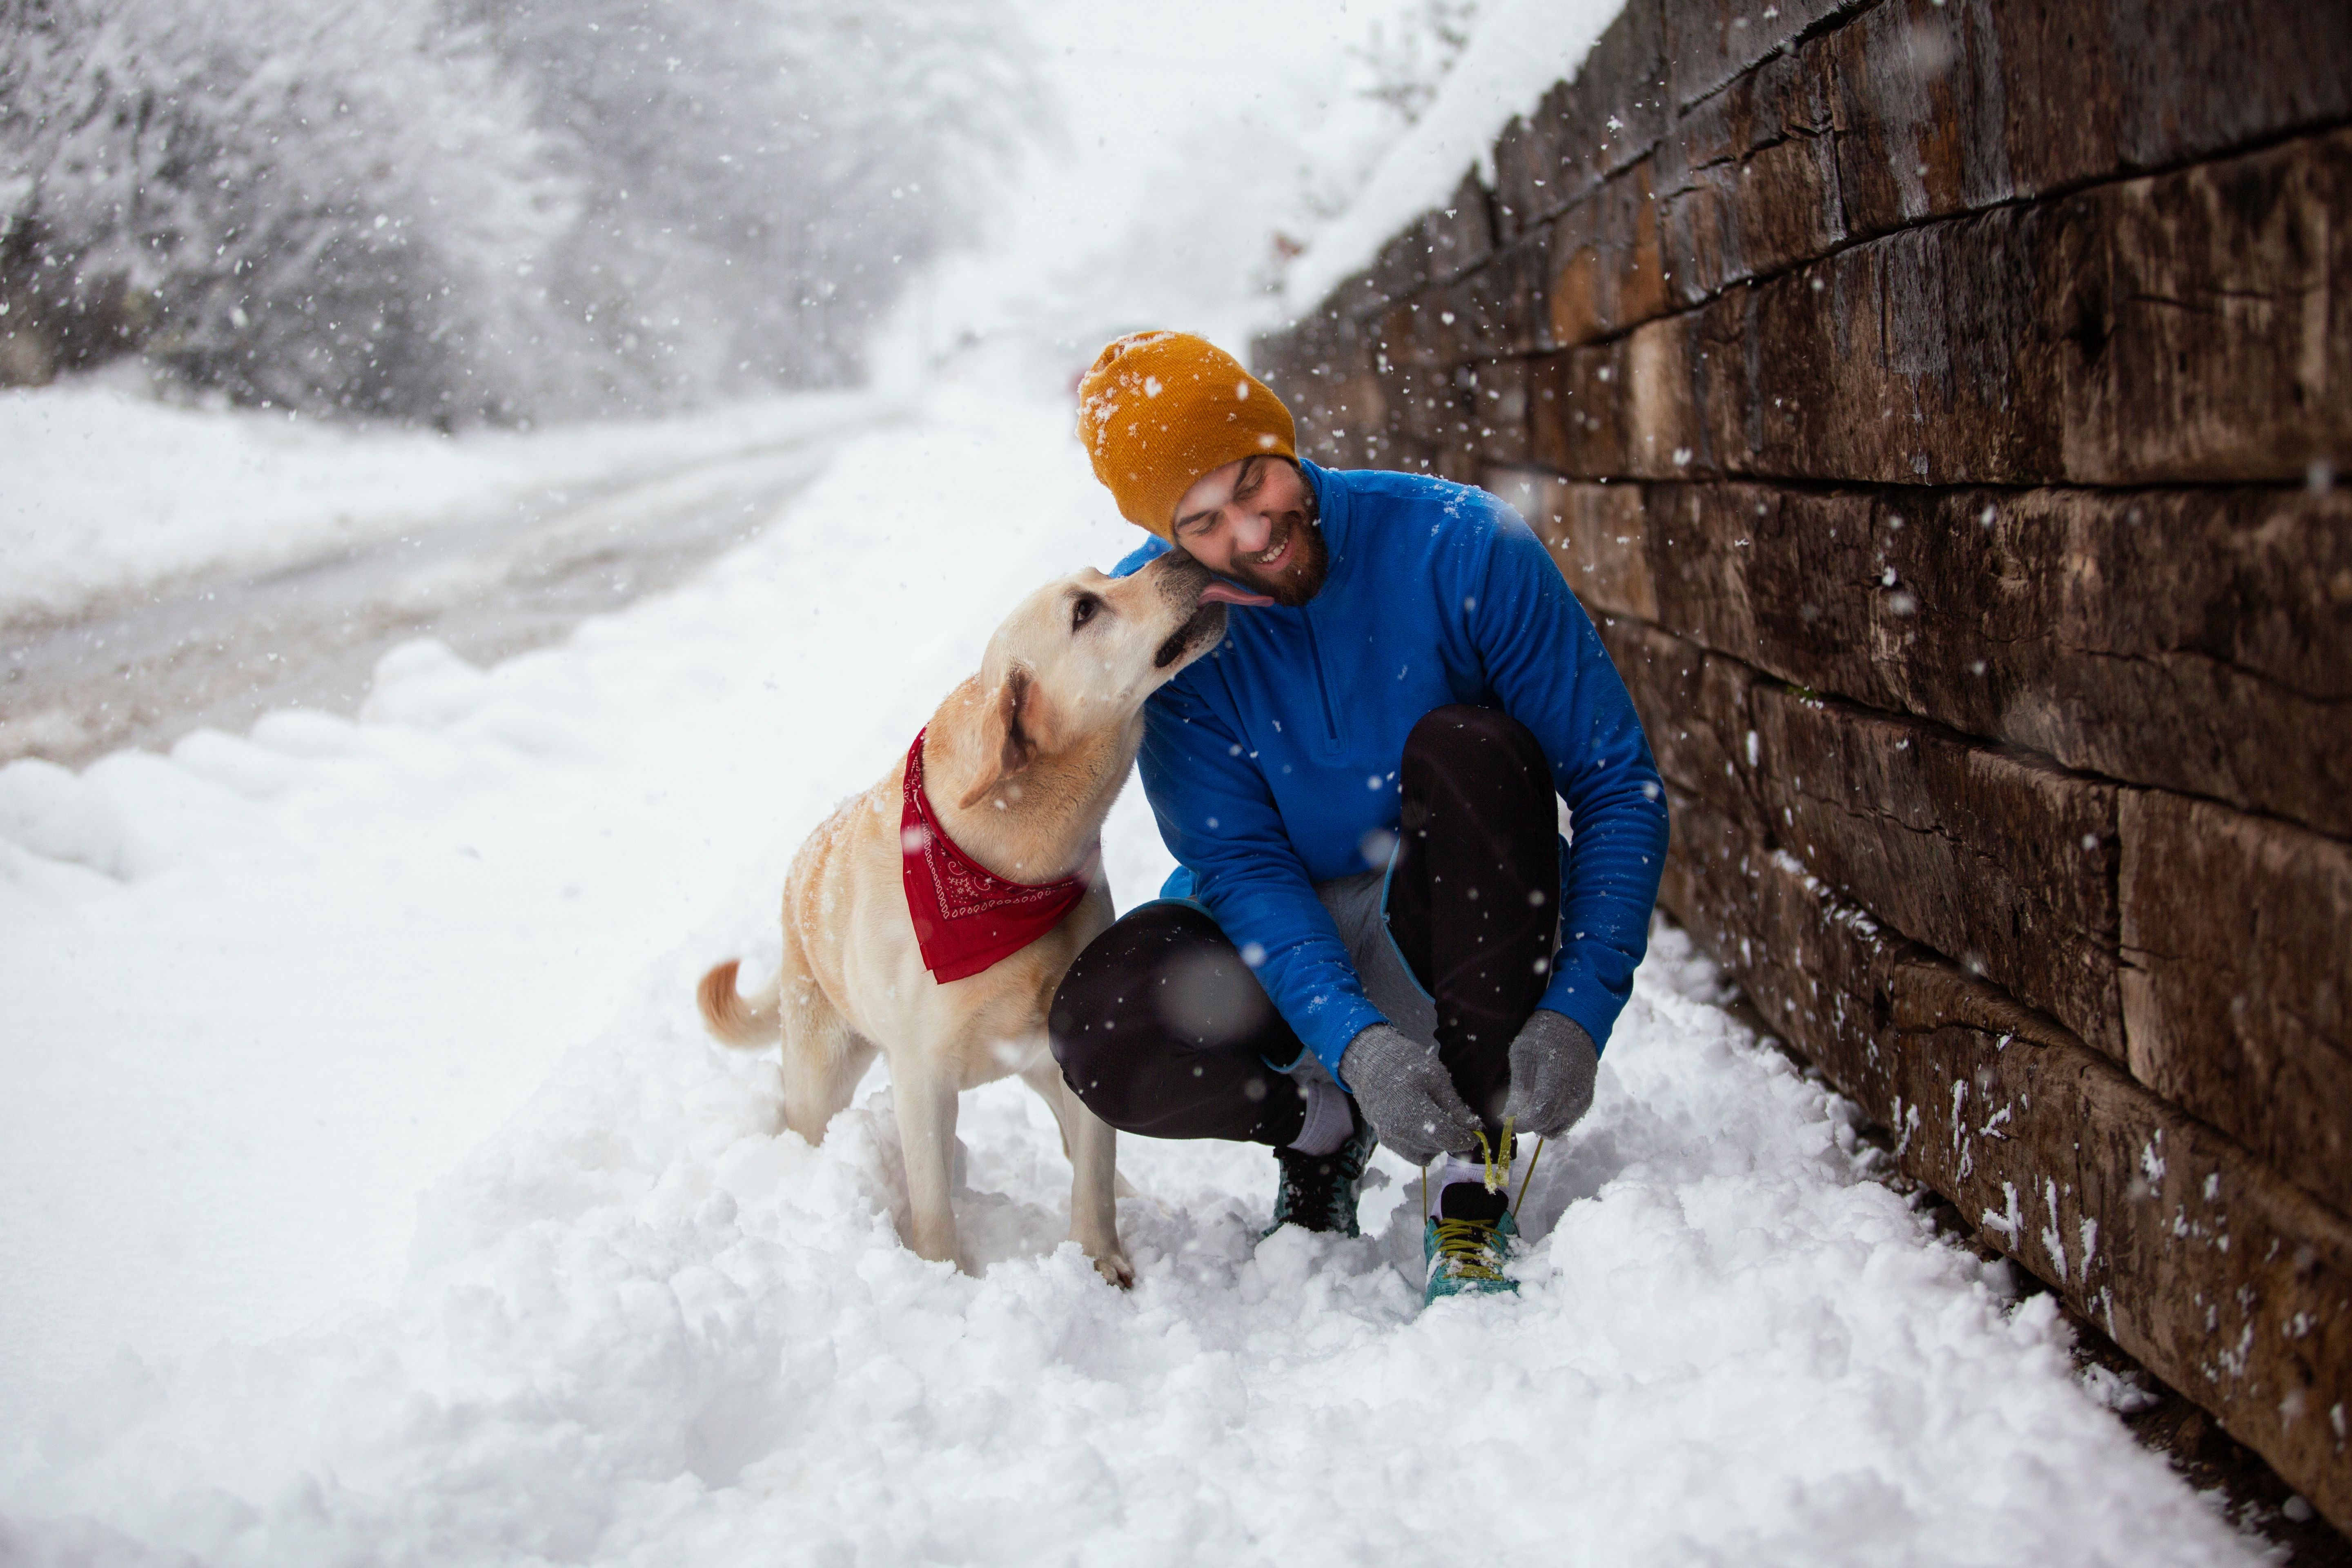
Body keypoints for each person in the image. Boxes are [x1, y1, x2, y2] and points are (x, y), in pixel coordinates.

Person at [1048, 330, 1668, 1302]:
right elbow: (1245, 867)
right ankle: (1323, 1133)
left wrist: (1579, 1013)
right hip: (1284, 940)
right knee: (1102, 1025)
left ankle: (1472, 1166)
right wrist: (1353, 1046)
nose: (1250, 535)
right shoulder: (1167, 629)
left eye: (1254, 482)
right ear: (1171, 539)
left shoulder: (1462, 542)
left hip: (1454, 917)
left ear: (1283, 441)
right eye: (1203, 523)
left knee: (1475, 746)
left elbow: (1615, 785)